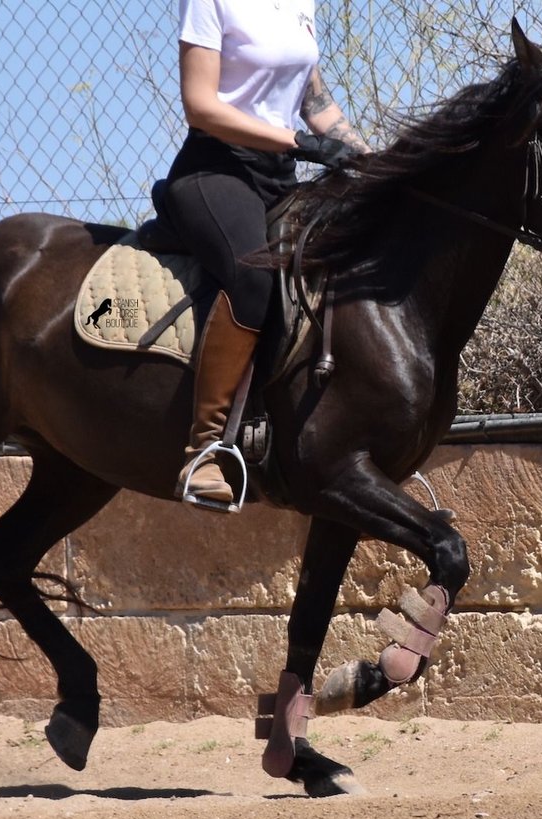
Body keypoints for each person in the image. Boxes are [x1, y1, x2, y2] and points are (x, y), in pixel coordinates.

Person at [165, 0, 370, 510]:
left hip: (279, 177)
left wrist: (374, 163)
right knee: (255, 277)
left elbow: (315, 99)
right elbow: (200, 105)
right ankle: (205, 451)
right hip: (215, 170)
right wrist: (297, 142)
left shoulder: (302, 3)